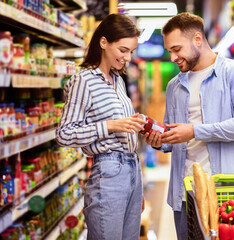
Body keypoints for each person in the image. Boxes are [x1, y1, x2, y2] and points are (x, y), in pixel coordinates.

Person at [143, 12, 234, 239]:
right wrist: (159, 141)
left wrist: (195, 131)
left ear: (197, 39)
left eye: (177, 49)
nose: (172, 57)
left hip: (229, 191)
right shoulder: (174, 86)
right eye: (170, 51)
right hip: (185, 193)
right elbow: (173, 138)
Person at [56, 14, 147, 240]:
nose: (127, 58)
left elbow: (121, 129)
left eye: (131, 52)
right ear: (104, 42)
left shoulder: (118, 81)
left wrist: (138, 126)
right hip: (108, 172)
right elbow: (64, 134)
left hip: (131, 169)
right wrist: (110, 125)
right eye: (123, 50)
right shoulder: (83, 81)